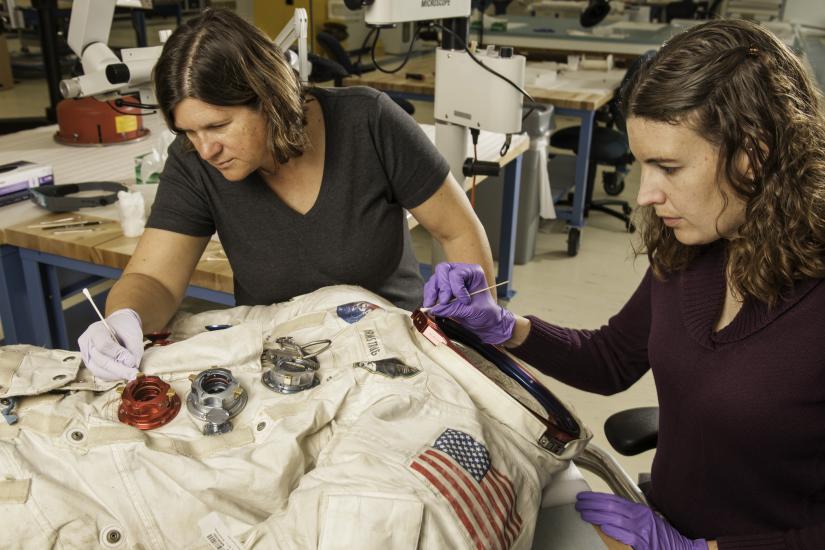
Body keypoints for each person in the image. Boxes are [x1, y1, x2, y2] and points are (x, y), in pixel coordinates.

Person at [422, 19, 825, 550]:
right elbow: (613, 360)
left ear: (755, 153)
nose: (646, 194)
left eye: (669, 167)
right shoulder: (693, 246)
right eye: (642, 166)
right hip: (662, 526)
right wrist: (506, 329)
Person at [78, 9, 495, 381]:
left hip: (390, 352)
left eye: (218, 126)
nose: (206, 149)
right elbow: (154, 278)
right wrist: (123, 319)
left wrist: (476, 341)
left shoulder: (369, 122)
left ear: (269, 99)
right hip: (282, 365)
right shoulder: (194, 160)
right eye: (189, 132)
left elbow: (458, 231)